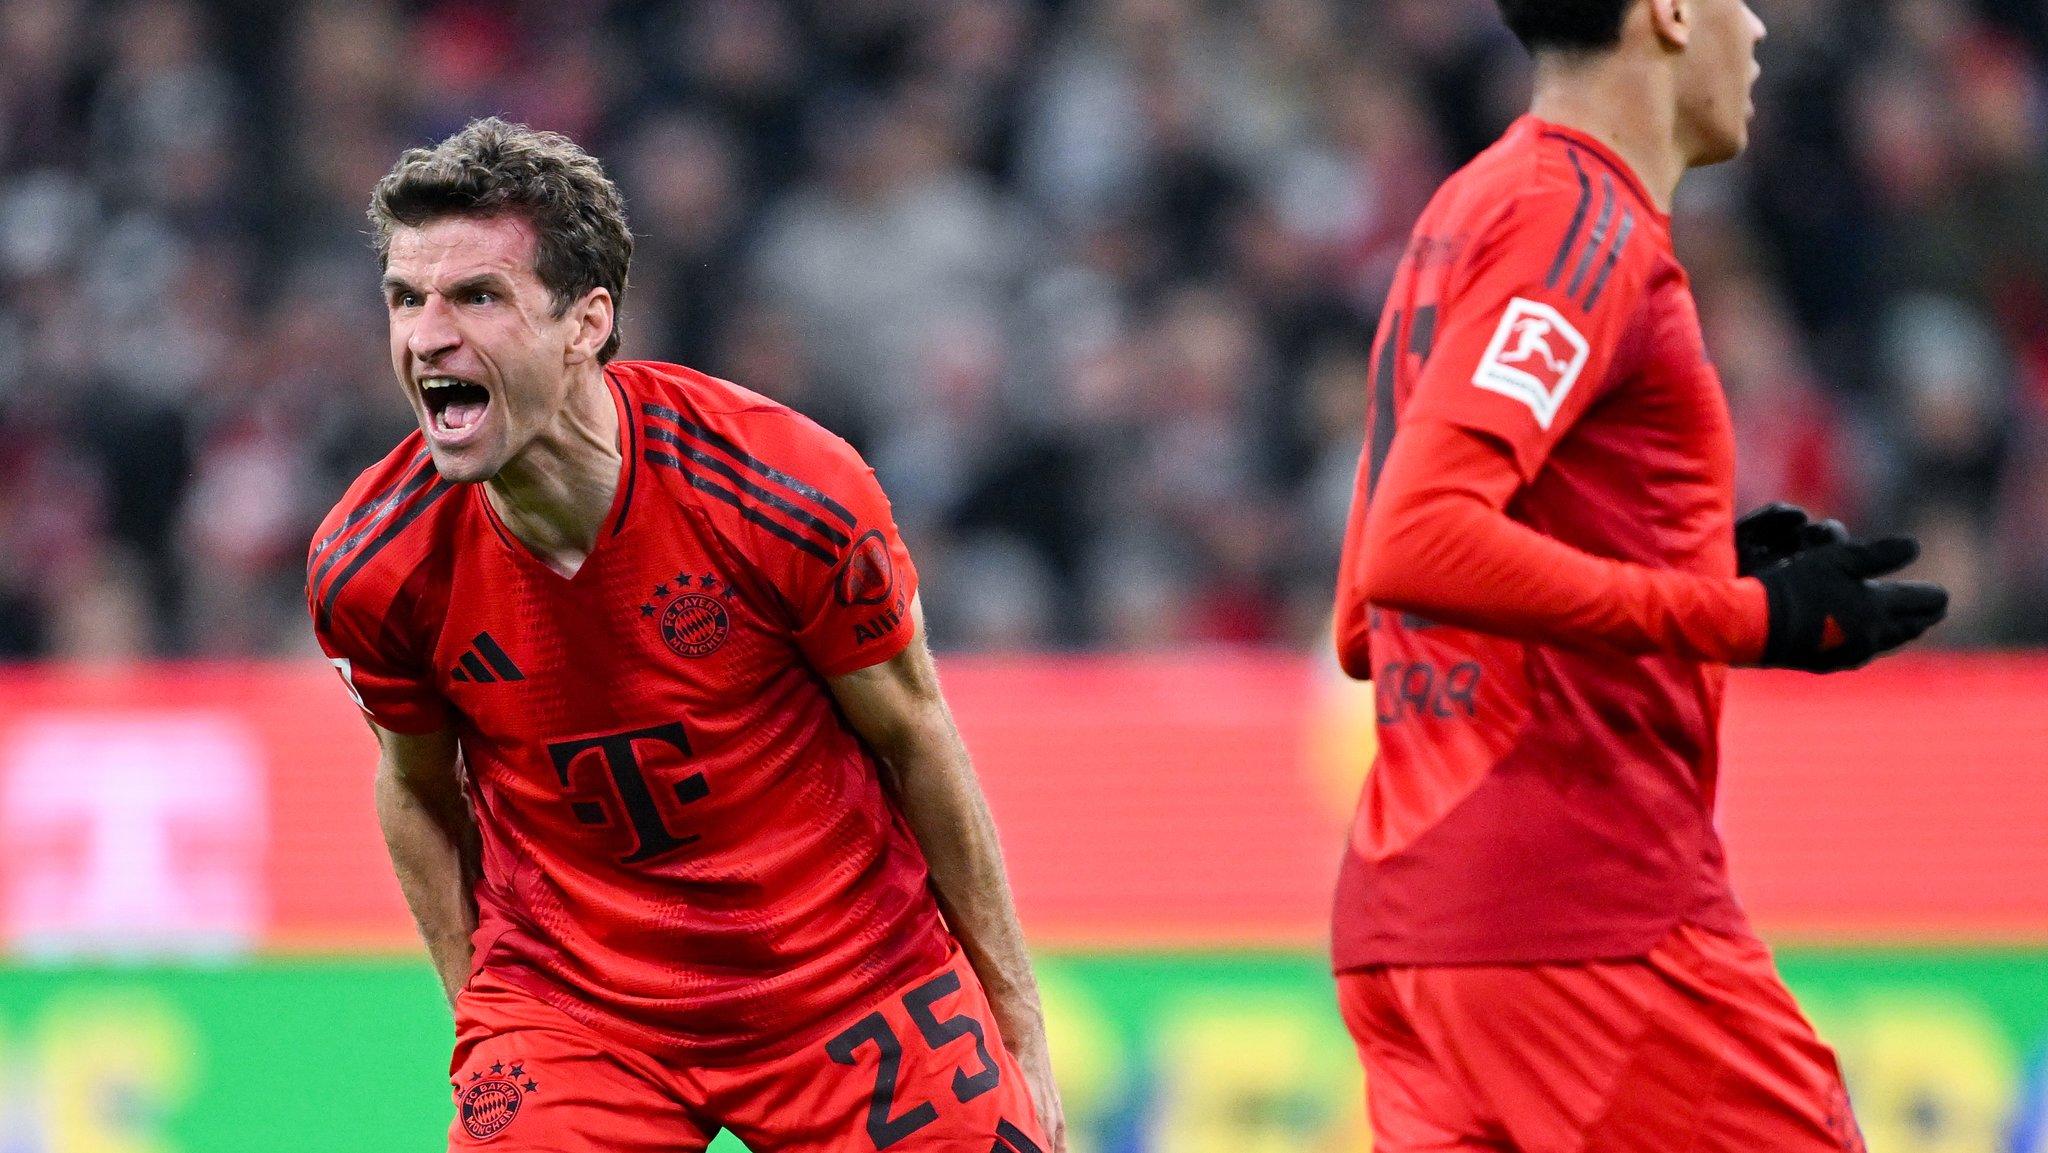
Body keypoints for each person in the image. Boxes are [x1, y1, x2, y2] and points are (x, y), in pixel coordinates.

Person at [307, 117, 1063, 1153]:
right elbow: (414, 788)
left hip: (844, 982)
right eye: (405, 298)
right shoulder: (373, 564)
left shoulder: (784, 492)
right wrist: (483, 1016)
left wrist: (1015, 1020)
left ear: (586, 323)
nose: (426, 336)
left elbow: (914, 735)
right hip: (578, 1008)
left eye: (476, 296)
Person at [1329, 2, 1948, 1151]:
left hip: (1412, 935)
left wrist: (1676, 550)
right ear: (1666, 11)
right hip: (1586, 921)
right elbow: (1413, 545)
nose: (1757, 33)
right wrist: (1742, 613)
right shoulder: (1578, 223)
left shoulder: (1465, 210)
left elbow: (1363, 621)